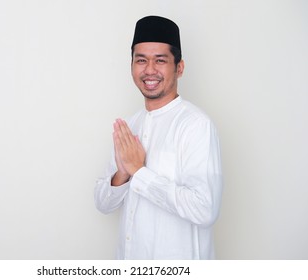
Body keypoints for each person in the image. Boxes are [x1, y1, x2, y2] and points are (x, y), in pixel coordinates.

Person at [94, 15, 223, 260]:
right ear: (131, 66)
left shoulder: (196, 126)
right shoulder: (130, 125)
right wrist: (122, 174)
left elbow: (204, 209)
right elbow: (103, 204)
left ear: (179, 68)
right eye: (141, 60)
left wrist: (139, 172)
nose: (149, 70)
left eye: (160, 60)